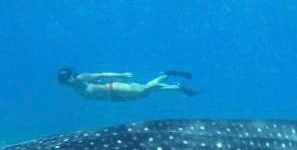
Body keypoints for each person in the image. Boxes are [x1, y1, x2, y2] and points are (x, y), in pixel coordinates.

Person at [58, 68, 199, 101]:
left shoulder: (81, 78)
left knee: (144, 90)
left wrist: (122, 75)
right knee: (145, 92)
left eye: (68, 77)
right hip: (115, 97)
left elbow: (102, 75)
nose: (68, 81)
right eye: (65, 80)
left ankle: (167, 75)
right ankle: (177, 86)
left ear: (72, 75)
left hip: (115, 89)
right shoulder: (76, 85)